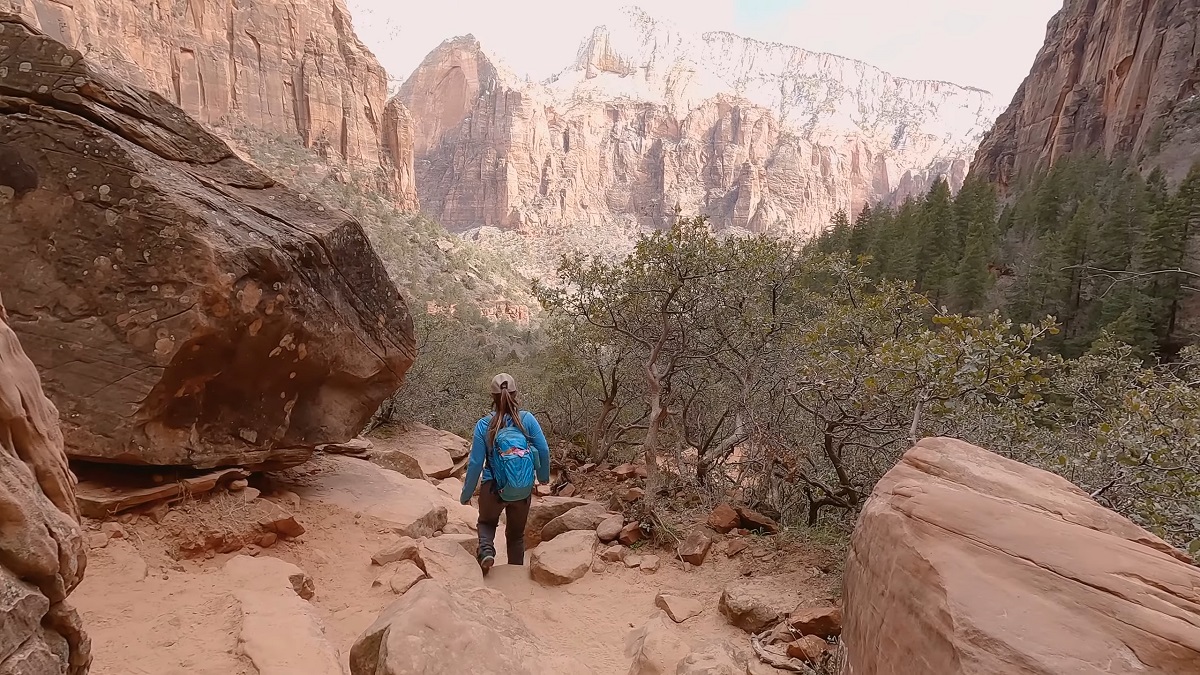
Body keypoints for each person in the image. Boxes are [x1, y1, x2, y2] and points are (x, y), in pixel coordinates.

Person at [460, 373, 550, 575]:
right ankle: (516, 574)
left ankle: (486, 552)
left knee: (486, 523)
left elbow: (475, 463)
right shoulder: (527, 419)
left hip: (493, 486)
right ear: (515, 393)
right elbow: (543, 451)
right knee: (516, 535)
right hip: (523, 488)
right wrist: (543, 477)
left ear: (492, 396)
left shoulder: (484, 424)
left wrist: (466, 494)